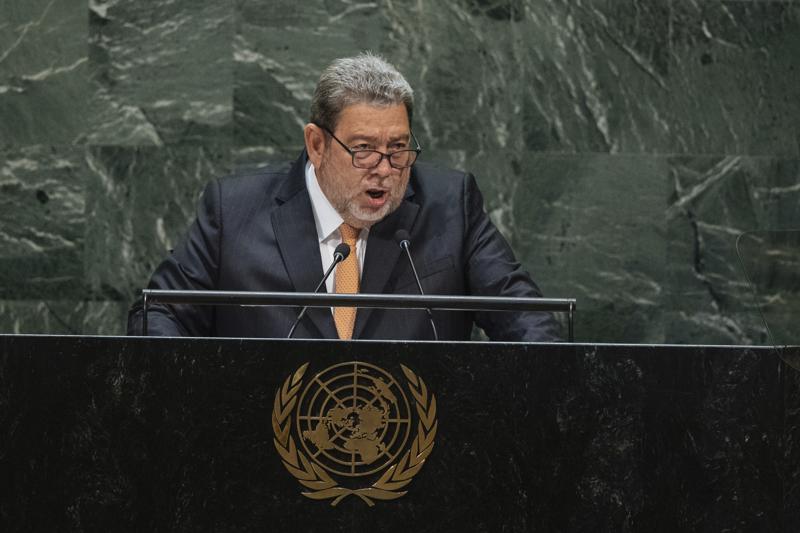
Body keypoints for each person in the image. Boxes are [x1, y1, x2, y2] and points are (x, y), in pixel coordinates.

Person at [127, 53, 560, 342]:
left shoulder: (449, 207)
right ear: (317, 145)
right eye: (364, 149)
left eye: (399, 148)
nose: (386, 169)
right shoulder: (234, 211)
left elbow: (529, 320)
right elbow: (157, 315)